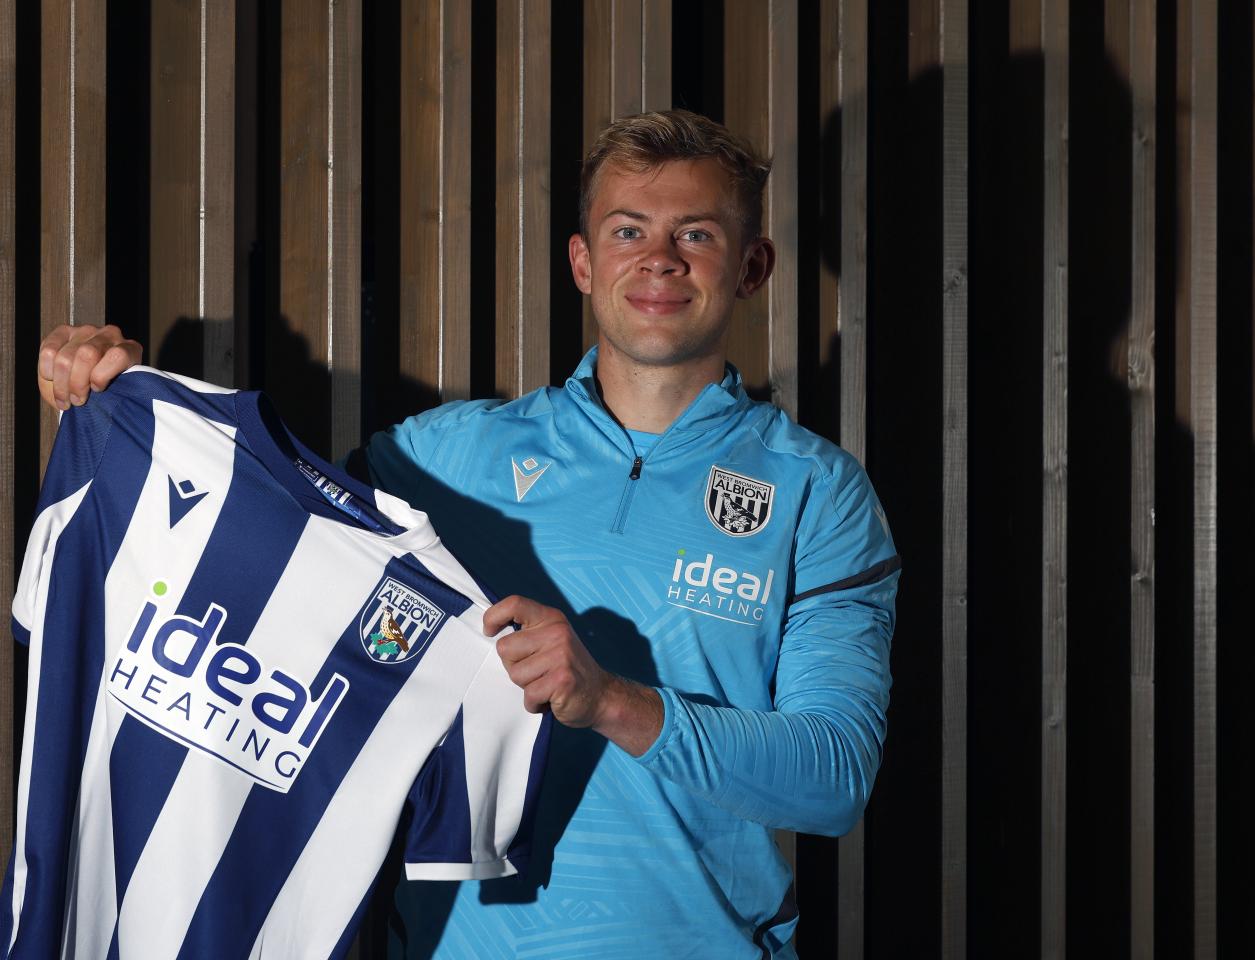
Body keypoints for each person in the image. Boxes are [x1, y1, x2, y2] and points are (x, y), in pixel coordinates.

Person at [37, 109, 899, 958]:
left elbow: (832, 779)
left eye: (698, 234)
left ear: (753, 267)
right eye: (628, 230)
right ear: (583, 262)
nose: (660, 260)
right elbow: (255, 535)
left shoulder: (818, 494)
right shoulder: (441, 459)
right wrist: (125, 407)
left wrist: (610, 701)